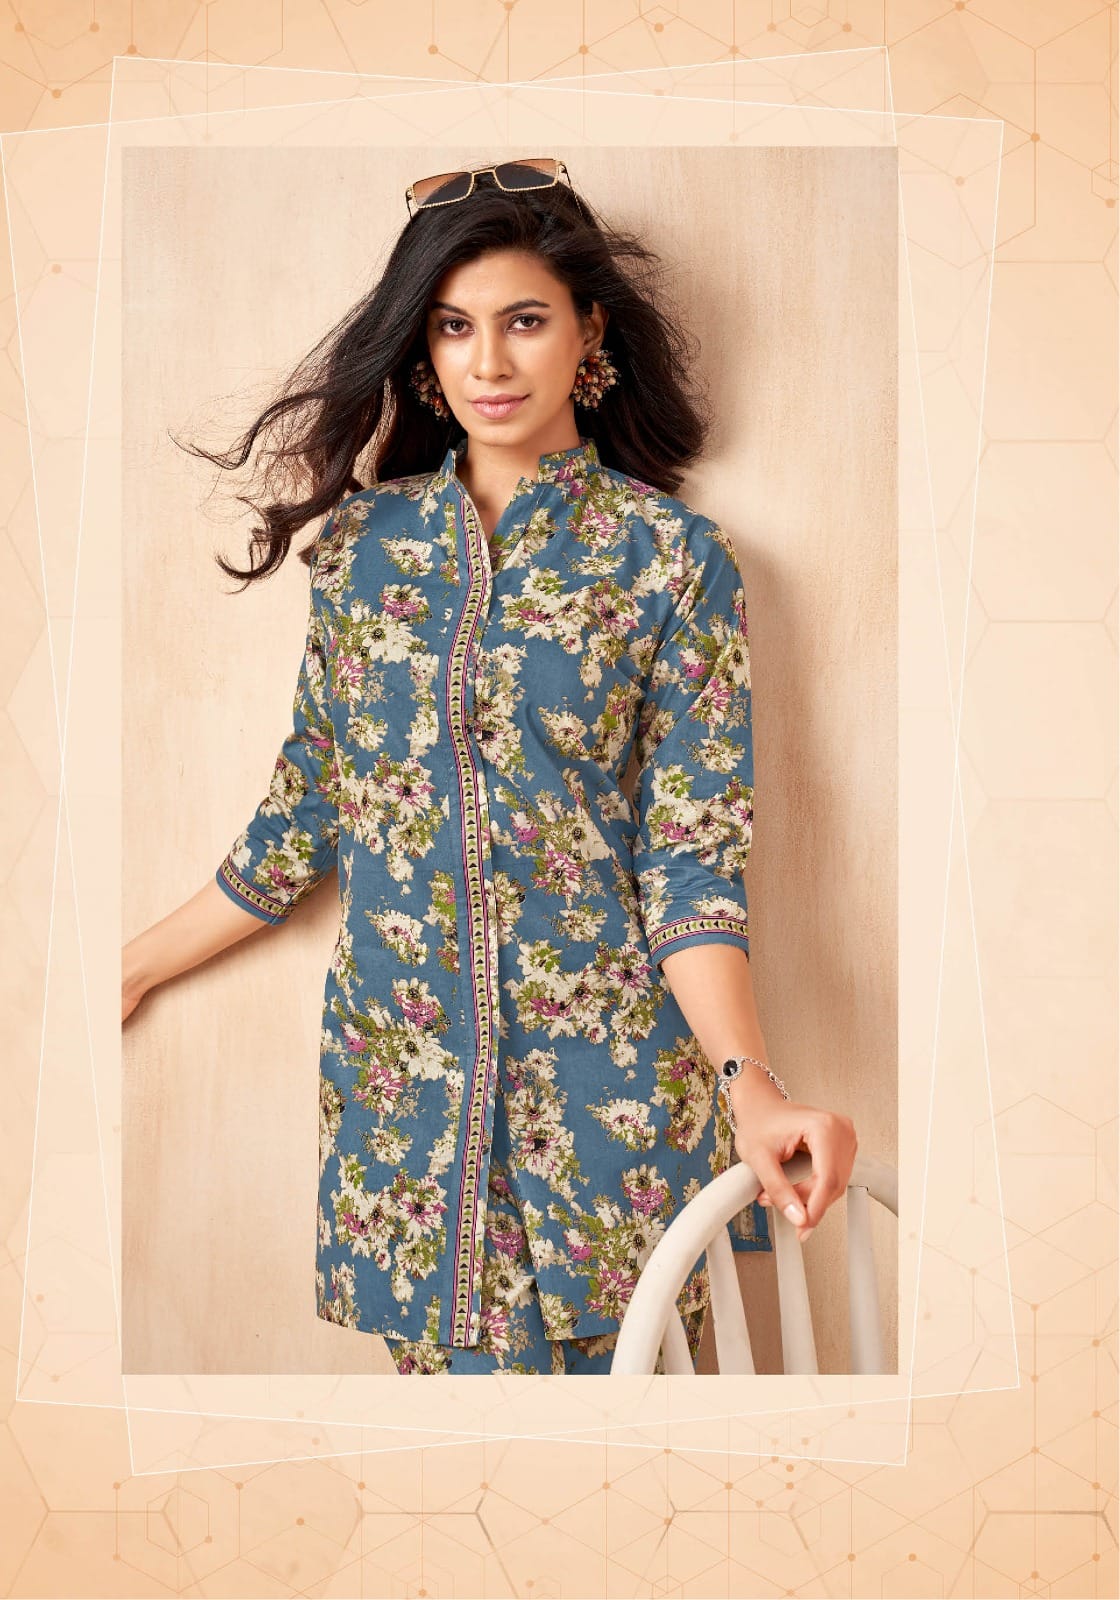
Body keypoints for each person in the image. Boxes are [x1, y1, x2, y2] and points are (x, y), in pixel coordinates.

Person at [122, 157, 857, 1375]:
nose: (489, 362)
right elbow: (305, 816)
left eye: (523, 320)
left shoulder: (672, 562)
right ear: (422, 352)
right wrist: (124, 972)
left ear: (588, 332)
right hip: (408, 1127)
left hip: (611, 1116)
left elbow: (690, 862)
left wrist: (751, 1084)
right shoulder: (360, 554)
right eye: (454, 328)